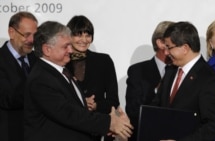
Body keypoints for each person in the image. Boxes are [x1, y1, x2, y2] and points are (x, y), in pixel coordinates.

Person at [24, 21, 133, 141]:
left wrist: (110, 124)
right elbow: (69, 114)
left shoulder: (61, 72)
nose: (71, 51)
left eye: (70, 45)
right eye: (65, 46)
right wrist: (109, 123)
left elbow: (74, 110)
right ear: (47, 50)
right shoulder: (41, 79)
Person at [151, 21, 215, 141]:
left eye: (169, 47)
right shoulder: (170, 71)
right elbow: (156, 108)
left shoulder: (209, 78)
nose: (166, 52)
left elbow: (212, 125)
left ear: (185, 48)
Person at [65, 15, 120, 141]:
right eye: (78, 34)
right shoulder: (61, 62)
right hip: (68, 130)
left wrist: (95, 105)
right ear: (69, 36)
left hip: (97, 131)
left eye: (88, 35)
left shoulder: (104, 61)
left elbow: (113, 100)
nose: (84, 40)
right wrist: (81, 102)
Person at [125, 21, 174, 141]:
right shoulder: (137, 71)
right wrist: (158, 90)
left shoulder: (182, 71)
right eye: (175, 41)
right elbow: (133, 111)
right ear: (161, 43)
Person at [0, 11, 38, 141]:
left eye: (35, 35)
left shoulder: (38, 59)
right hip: (10, 134)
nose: (32, 40)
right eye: (27, 35)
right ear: (12, 32)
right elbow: (6, 98)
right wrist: (40, 90)